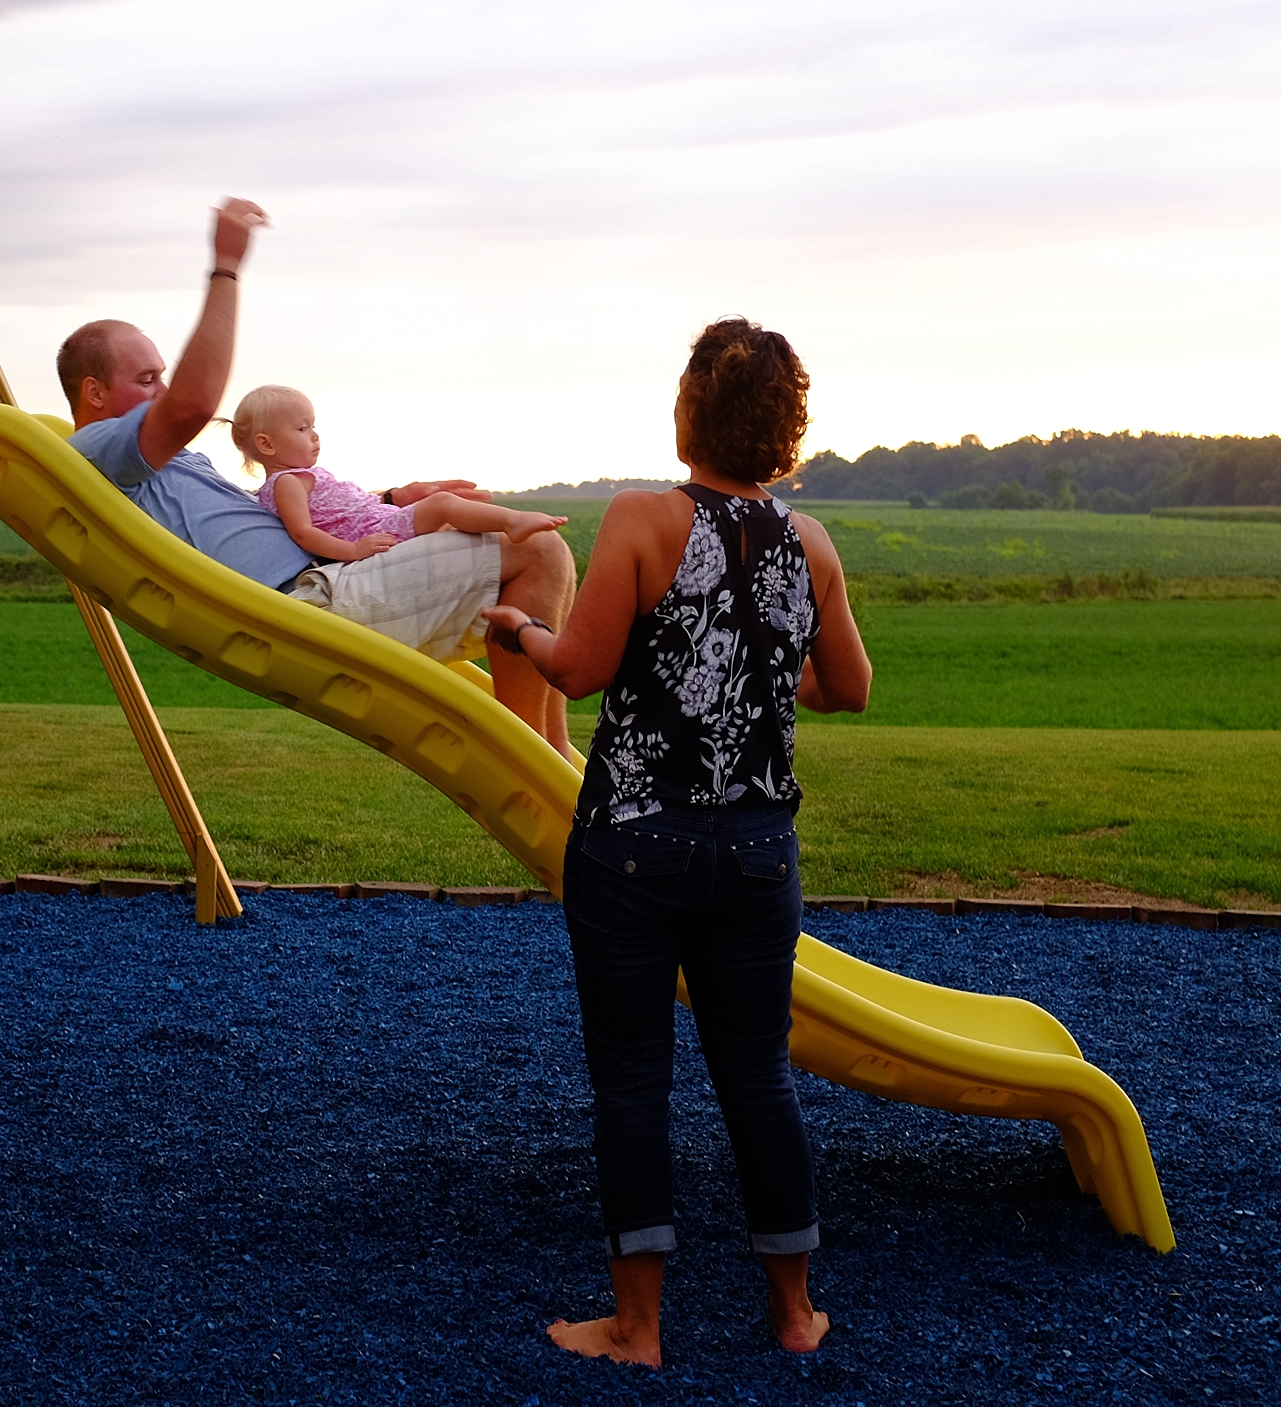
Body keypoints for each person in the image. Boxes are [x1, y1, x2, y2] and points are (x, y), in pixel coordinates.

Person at [479, 316, 873, 1364]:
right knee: (759, 1075)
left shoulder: (644, 517)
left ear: (687, 410)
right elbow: (850, 687)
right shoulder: (811, 542)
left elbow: (575, 669)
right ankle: (794, 1314)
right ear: (787, 430)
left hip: (632, 843)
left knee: (631, 1079)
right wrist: (754, 668)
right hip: (757, 849)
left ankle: (638, 1327)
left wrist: (513, 629)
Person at [59, 199, 578, 753]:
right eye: (146, 379)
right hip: (304, 604)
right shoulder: (99, 449)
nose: (161, 392)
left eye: (162, 377)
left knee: (529, 549)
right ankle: (532, 755)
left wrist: (394, 499)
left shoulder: (157, 464)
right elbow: (190, 405)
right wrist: (226, 266)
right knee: (537, 552)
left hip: (322, 583)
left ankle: (555, 760)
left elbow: (280, 510)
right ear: (94, 392)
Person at [229, 384, 569, 563]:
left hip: (378, 521)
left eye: (313, 426)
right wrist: (356, 550)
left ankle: (499, 524)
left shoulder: (300, 479)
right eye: (302, 428)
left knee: (446, 517)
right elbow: (303, 534)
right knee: (442, 504)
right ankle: (512, 522)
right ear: (267, 444)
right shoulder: (287, 483)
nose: (314, 436)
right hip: (372, 533)